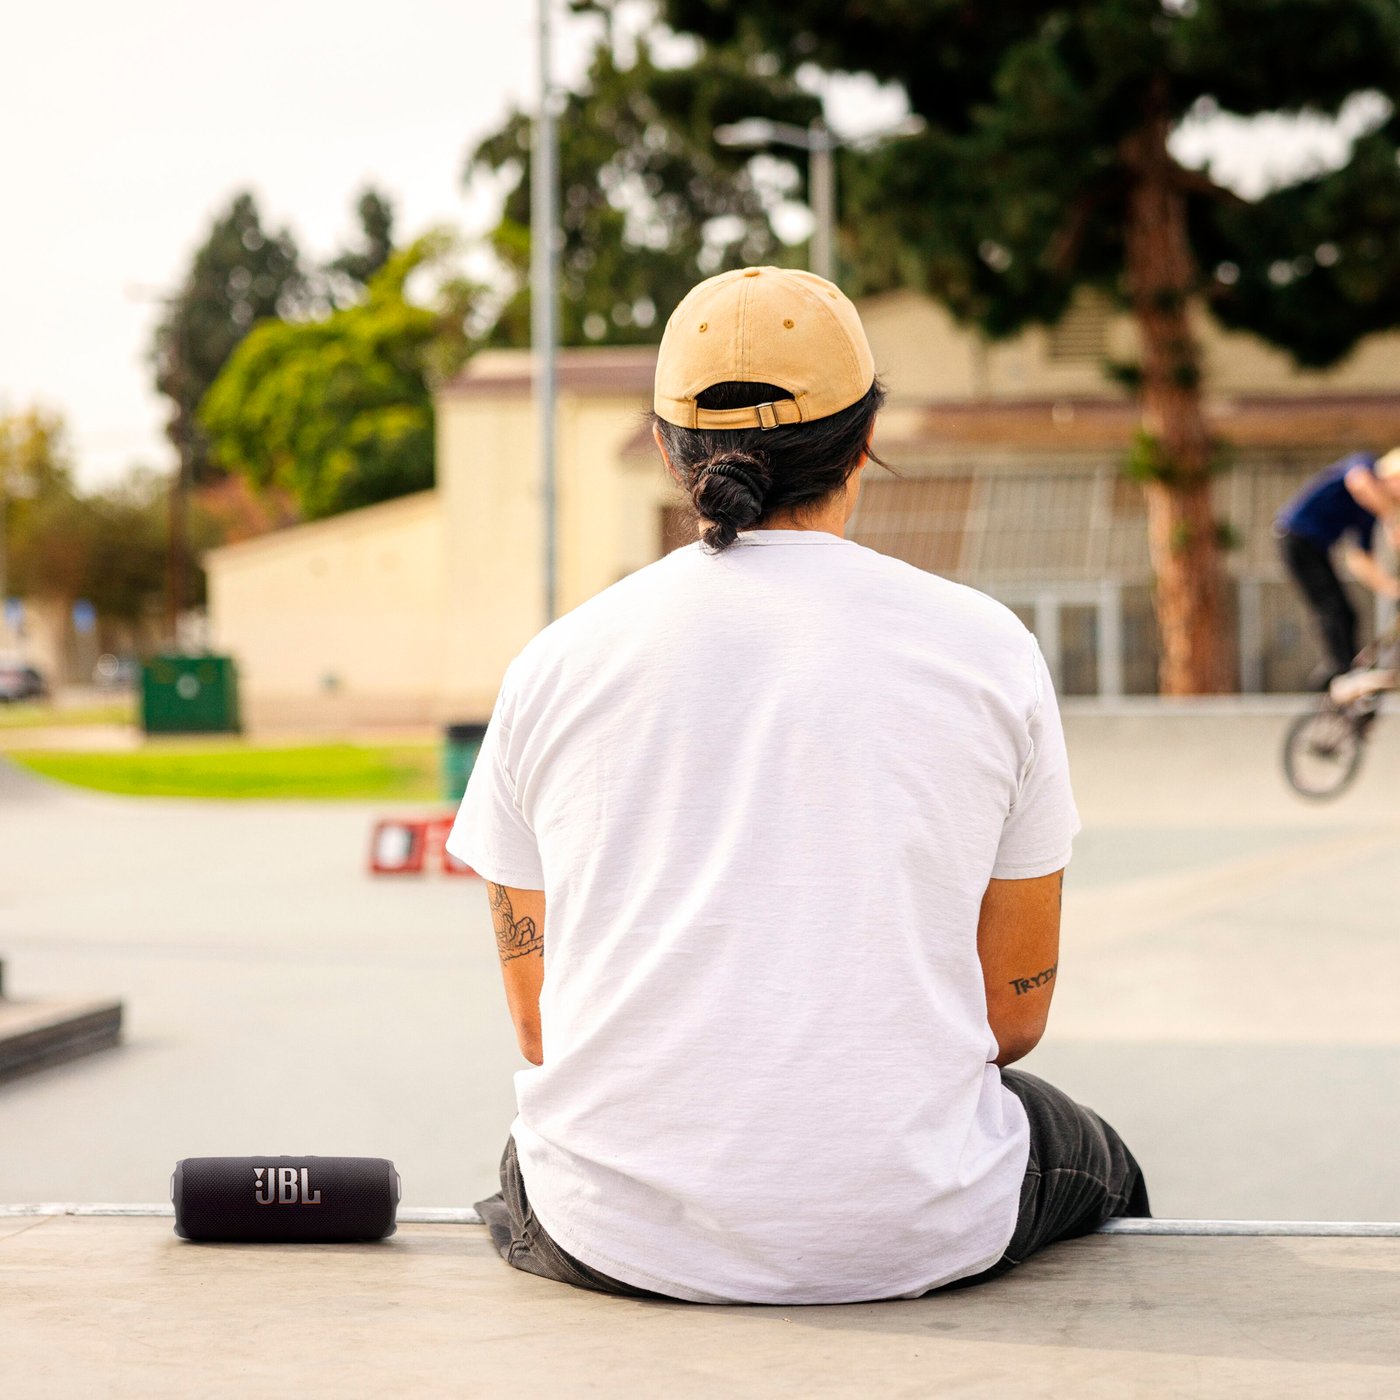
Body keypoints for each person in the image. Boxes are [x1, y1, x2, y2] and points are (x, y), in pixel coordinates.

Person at [448, 266, 1148, 1306]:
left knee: (536, 1161)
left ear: (662, 445)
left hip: (613, 1233)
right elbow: (1009, 1019)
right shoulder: (984, 648)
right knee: (1099, 1158)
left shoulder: (554, 662)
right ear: (865, 438)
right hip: (913, 1224)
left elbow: (540, 1023)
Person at [1275, 449, 1400, 686]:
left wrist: (1391, 588)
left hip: (1316, 547)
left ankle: (1342, 669)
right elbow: (1359, 483)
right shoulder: (1366, 465)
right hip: (1294, 536)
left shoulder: (1367, 515)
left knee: (1347, 612)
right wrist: (1391, 518)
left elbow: (1359, 559)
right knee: (1331, 607)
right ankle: (1340, 671)